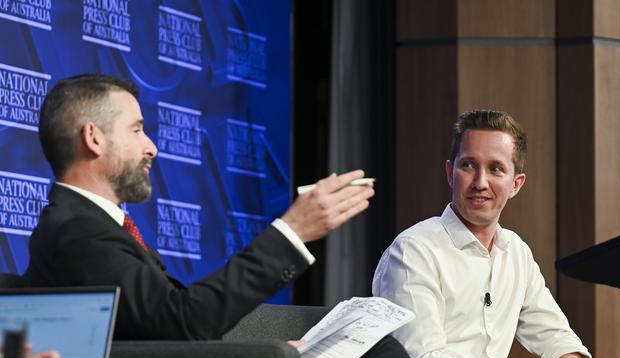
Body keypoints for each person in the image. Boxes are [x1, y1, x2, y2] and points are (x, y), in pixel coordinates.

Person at [23, 73, 376, 340]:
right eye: (136, 130)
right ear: (94, 138)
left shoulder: (91, 226)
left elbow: (171, 327)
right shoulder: (79, 233)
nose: (152, 148)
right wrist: (292, 232)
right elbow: (183, 323)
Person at [372, 110, 591, 358]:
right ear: (449, 173)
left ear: (516, 184)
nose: (480, 182)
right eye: (468, 165)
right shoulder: (413, 252)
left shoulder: (516, 252)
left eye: (496, 169)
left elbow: (557, 337)